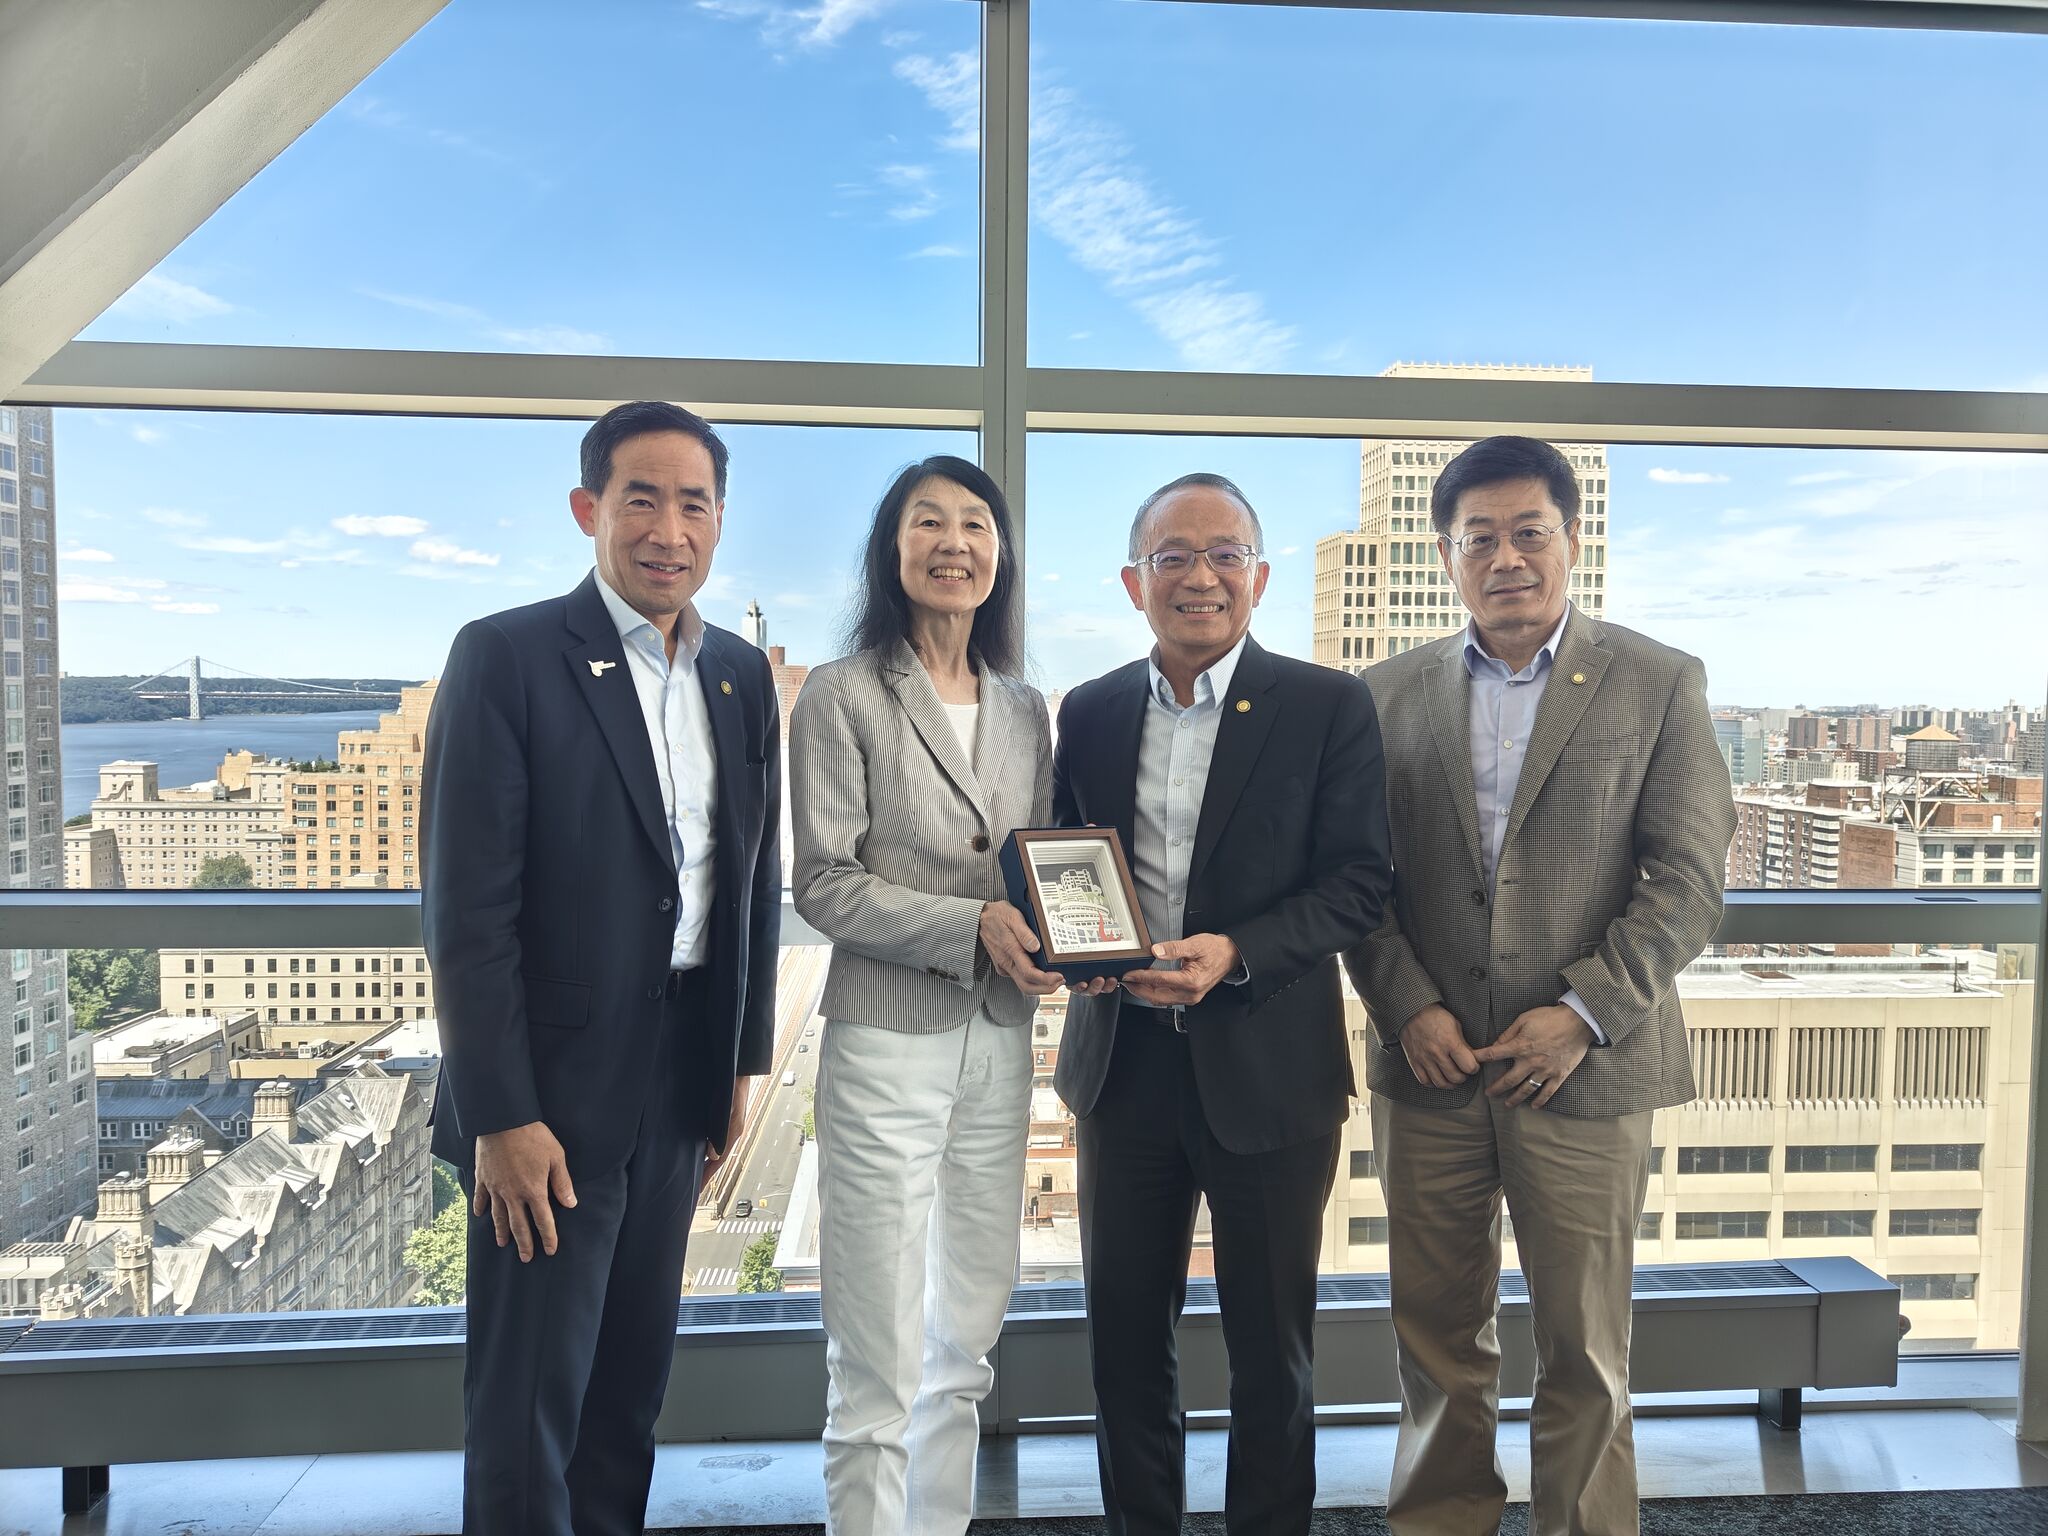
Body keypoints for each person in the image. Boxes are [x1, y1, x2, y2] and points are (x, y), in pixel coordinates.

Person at [1344, 435, 1736, 1536]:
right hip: (1427, 1066)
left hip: (1583, 1070)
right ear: (1444, 554)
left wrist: (1577, 1016)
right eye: (1479, 539)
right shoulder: (1380, 694)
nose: (1505, 558)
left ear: (1571, 539)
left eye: (1529, 533)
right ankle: (1439, 1523)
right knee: (1432, 1337)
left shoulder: (1656, 681)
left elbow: (1687, 884)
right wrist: (1405, 1004)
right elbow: (1353, 882)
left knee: (1582, 1347)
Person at [422, 400, 780, 1536]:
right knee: (530, 1404)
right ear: (588, 510)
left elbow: (745, 884)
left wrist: (739, 1063)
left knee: (629, 1394)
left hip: (679, 1081)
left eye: (693, 503)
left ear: (719, 523)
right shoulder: (507, 656)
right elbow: (467, 914)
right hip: (549, 1100)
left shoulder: (736, 676)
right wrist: (502, 1113)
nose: (667, 527)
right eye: (642, 497)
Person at [1052, 472, 1393, 1536]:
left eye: (1221, 555)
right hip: (1124, 1071)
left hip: (1269, 1073)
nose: (1198, 576)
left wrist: (1235, 952)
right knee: (1121, 1350)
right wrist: (1083, 954)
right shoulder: (1091, 708)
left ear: (1257, 575)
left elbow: (1357, 883)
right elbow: (1067, 866)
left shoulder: (1330, 705)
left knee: (1272, 1357)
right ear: (1131, 580)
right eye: (1171, 557)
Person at [790, 455, 1074, 1536]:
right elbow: (823, 881)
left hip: (999, 1044)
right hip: (886, 1041)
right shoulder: (841, 692)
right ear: (892, 547)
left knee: (963, 1343)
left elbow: (1035, 867)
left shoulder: (1022, 706)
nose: (954, 542)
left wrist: (1053, 936)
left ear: (998, 555)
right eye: (928, 522)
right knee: (874, 1353)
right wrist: (973, 928)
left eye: (975, 524)